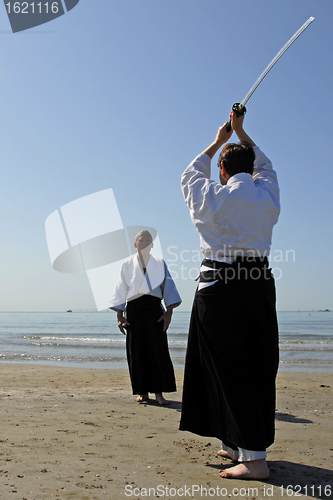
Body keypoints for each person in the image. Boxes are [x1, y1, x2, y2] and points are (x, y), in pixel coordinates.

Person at [179, 111, 280, 479]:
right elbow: (265, 166)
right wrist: (241, 134)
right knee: (254, 361)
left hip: (219, 287)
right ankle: (236, 443)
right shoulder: (266, 193)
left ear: (222, 172)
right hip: (257, 285)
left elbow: (189, 174)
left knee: (230, 367)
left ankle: (254, 459)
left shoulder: (211, 197)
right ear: (250, 171)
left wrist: (220, 139)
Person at [109, 230, 181, 405]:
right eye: (142, 240)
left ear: (152, 245)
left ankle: (159, 393)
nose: (145, 242)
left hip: (154, 310)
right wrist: (120, 315)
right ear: (135, 244)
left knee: (157, 350)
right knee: (137, 351)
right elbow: (121, 289)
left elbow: (169, 288)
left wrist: (168, 314)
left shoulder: (159, 263)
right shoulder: (127, 265)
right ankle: (143, 392)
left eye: (149, 240)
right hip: (133, 310)